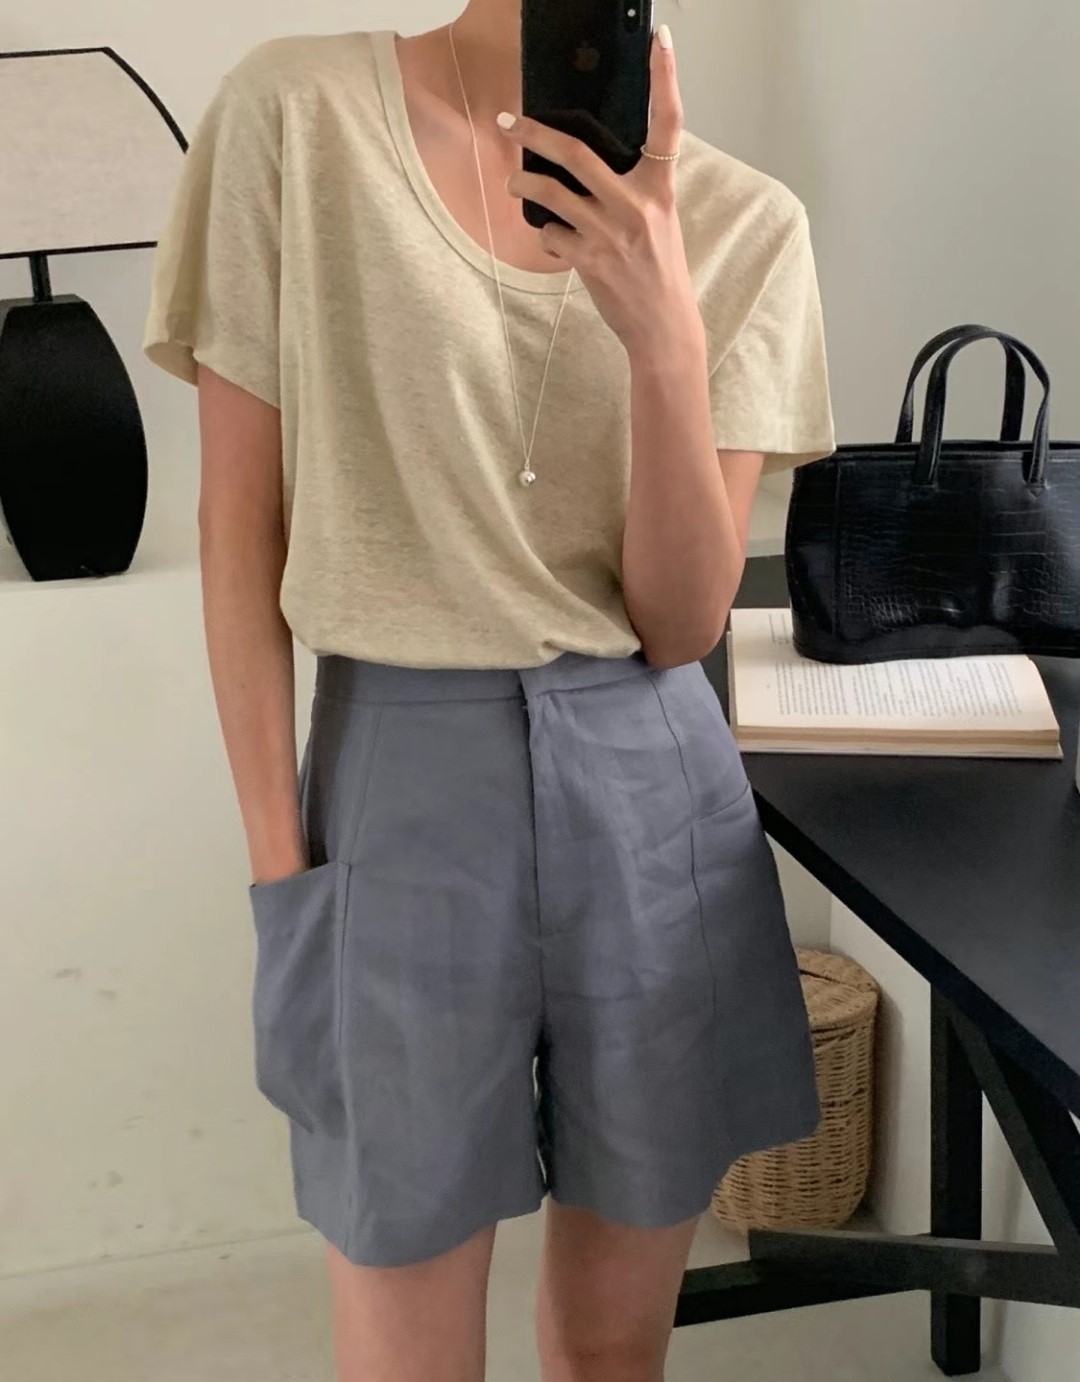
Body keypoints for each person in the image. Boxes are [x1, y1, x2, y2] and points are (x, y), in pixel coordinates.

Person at [142, 3, 836, 1379]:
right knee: (404, 1349)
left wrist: (664, 334)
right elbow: (238, 532)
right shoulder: (298, 116)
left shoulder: (749, 224)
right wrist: (282, 876)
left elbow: (680, 622)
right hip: (398, 787)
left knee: (612, 1352)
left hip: (653, 796)